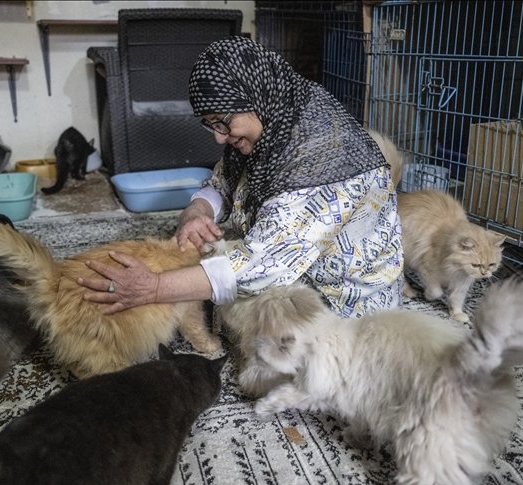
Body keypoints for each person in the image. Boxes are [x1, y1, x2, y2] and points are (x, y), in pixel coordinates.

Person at [77, 36, 404, 319]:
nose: (219, 138)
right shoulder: (276, 112)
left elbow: (259, 267)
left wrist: (153, 288)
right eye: (210, 124)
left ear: (253, 96)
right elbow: (223, 182)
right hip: (299, 266)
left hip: (348, 303)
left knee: (265, 338)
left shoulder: (317, 161)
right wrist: (197, 212)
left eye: (222, 122)